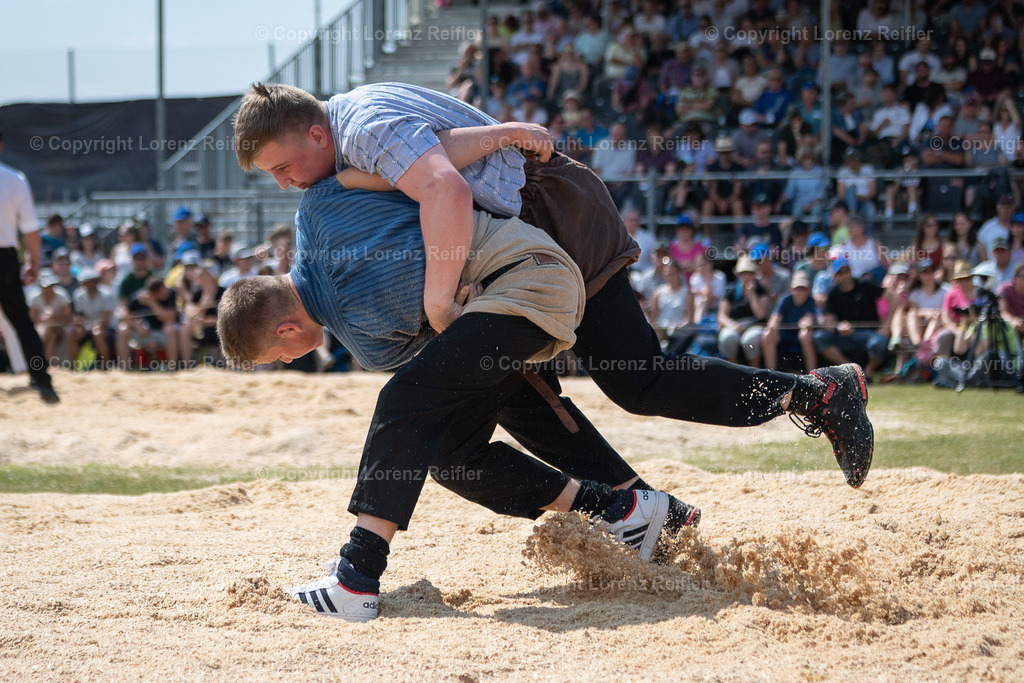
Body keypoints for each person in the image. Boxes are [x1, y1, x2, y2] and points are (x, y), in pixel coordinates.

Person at [229, 81, 874, 620]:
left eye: (283, 168)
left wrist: (439, 300)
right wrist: (499, 133)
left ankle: (359, 576)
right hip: (531, 226)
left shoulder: (362, 124)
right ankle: (667, 496)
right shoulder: (343, 162)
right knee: (579, 383)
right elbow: (439, 156)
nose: (286, 185)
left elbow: (446, 188)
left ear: (313, 134)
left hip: (549, 216)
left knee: (626, 379)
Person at [0, 131, 59, 402]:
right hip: (5, 257)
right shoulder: (14, 179)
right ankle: (41, 379)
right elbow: (31, 229)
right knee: (22, 321)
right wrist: (34, 262)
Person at [813, 258, 889, 379]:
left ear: (851, 271)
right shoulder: (833, 292)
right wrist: (838, 326)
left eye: (846, 271)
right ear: (835, 276)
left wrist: (887, 324)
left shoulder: (865, 284)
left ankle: (868, 371)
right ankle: (850, 370)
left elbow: (893, 297)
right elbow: (828, 319)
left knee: (880, 342)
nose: (845, 276)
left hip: (868, 334)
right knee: (819, 338)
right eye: (840, 273)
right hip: (843, 336)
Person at [717, 256, 771, 367]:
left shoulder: (761, 291)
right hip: (735, 325)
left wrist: (752, 295)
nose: (746, 277)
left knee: (750, 340)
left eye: (749, 273)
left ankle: (753, 372)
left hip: (755, 325)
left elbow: (761, 314)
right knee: (727, 338)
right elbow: (722, 316)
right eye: (743, 273)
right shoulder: (731, 292)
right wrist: (732, 324)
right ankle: (732, 370)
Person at [762, 270, 818, 373]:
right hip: (784, 335)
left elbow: (809, 318)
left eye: (803, 288)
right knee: (767, 334)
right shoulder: (785, 299)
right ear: (791, 289)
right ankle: (770, 373)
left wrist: (806, 323)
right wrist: (772, 326)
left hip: (800, 336)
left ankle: (812, 373)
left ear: (808, 290)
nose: (800, 291)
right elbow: (775, 318)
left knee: (805, 334)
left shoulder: (810, 301)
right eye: (797, 288)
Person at [69, 267, 114, 365]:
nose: (91, 284)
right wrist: (80, 328)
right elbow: (80, 315)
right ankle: (73, 367)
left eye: (93, 281)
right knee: (73, 336)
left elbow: (106, 320)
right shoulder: (78, 295)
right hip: (87, 327)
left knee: (97, 333)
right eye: (87, 282)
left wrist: (95, 326)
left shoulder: (106, 294)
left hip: (105, 328)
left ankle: (106, 365)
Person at [27, 269, 72, 365]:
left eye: (51, 285)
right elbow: (32, 319)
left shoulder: (61, 295)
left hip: (61, 328)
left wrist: (55, 316)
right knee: (51, 335)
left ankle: (43, 361)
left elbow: (68, 318)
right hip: (44, 329)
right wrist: (44, 318)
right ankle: (49, 364)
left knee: (50, 330)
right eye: (46, 286)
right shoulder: (34, 296)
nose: (49, 288)